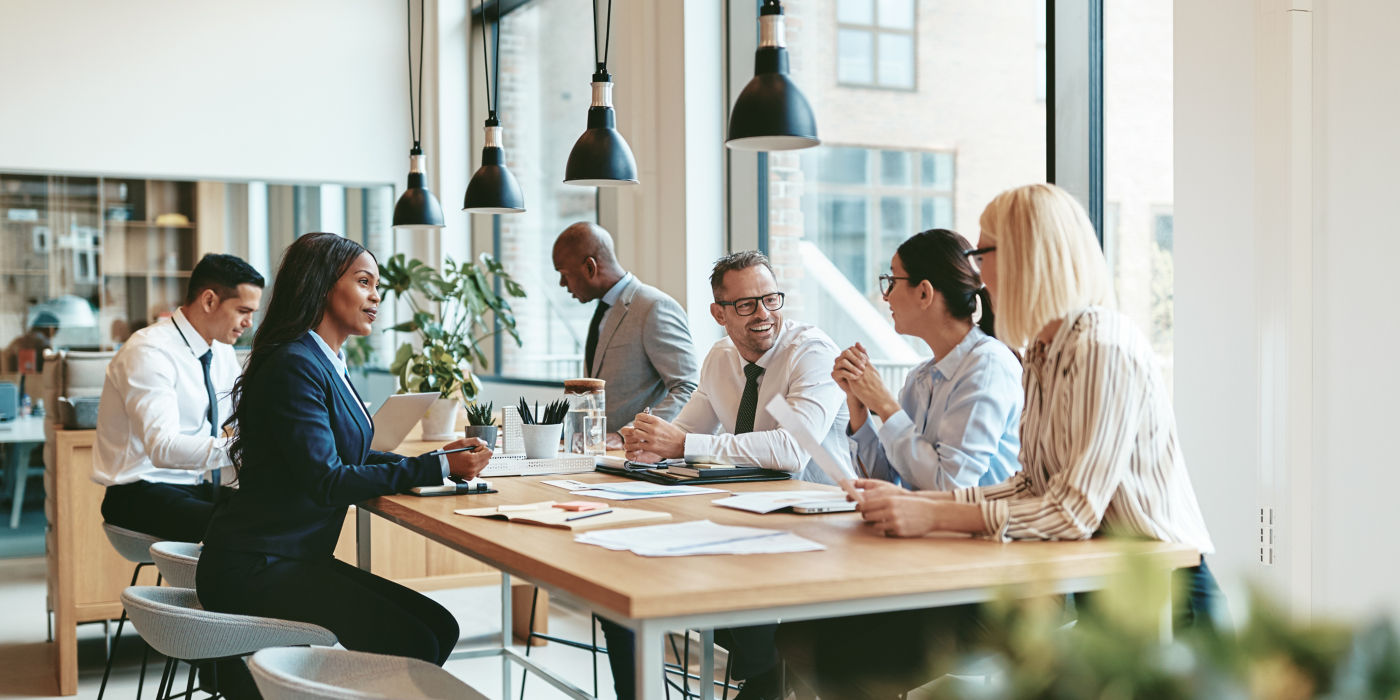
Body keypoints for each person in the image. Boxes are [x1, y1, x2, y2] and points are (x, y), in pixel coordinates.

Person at [776, 183, 1223, 699]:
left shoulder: (1102, 348)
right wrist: (917, 502)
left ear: (1032, 256)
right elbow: (1030, 484)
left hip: (1164, 591)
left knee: (848, 651)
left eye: (983, 253)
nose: (978, 274)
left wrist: (934, 511)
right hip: (1102, 580)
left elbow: (1071, 510)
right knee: (831, 648)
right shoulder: (1042, 352)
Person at [196, 233, 491, 699]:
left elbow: (346, 455)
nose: (376, 295)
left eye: (377, 285)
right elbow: (327, 479)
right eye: (363, 281)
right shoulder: (295, 364)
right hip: (258, 565)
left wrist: (436, 462)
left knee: (438, 627)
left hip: (292, 556)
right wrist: (433, 468)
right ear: (322, 286)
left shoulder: (326, 359)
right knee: (418, 639)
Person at [614, 250, 850, 700]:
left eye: (771, 299)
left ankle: (770, 675)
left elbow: (791, 450)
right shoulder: (720, 358)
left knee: (733, 607)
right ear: (718, 313)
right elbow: (684, 432)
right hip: (750, 517)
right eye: (746, 305)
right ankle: (769, 673)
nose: (763, 314)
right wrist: (646, 442)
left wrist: (681, 445)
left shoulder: (811, 351)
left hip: (824, 522)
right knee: (673, 579)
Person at [92, 254, 264, 542]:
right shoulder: (149, 351)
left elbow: (244, 412)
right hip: (138, 491)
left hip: (193, 487)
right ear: (209, 301)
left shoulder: (221, 351)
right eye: (243, 311)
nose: (248, 323)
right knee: (243, 530)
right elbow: (163, 447)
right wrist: (244, 448)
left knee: (278, 514)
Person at [835, 228, 1022, 491]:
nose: (886, 295)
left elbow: (951, 487)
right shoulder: (919, 378)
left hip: (979, 530)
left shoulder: (988, 366)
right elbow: (885, 483)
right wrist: (858, 403)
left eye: (892, 280)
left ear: (924, 293)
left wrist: (885, 404)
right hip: (927, 529)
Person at [552, 221, 699, 443]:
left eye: (564, 274)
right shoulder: (603, 310)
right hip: (600, 456)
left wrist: (627, 435)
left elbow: (688, 388)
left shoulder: (654, 307)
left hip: (637, 457)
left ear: (590, 267)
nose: (562, 283)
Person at [3, 310, 60, 374]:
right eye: (55, 331)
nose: (54, 335)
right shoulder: (41, 343)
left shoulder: (19, 340)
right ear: (49, 329)